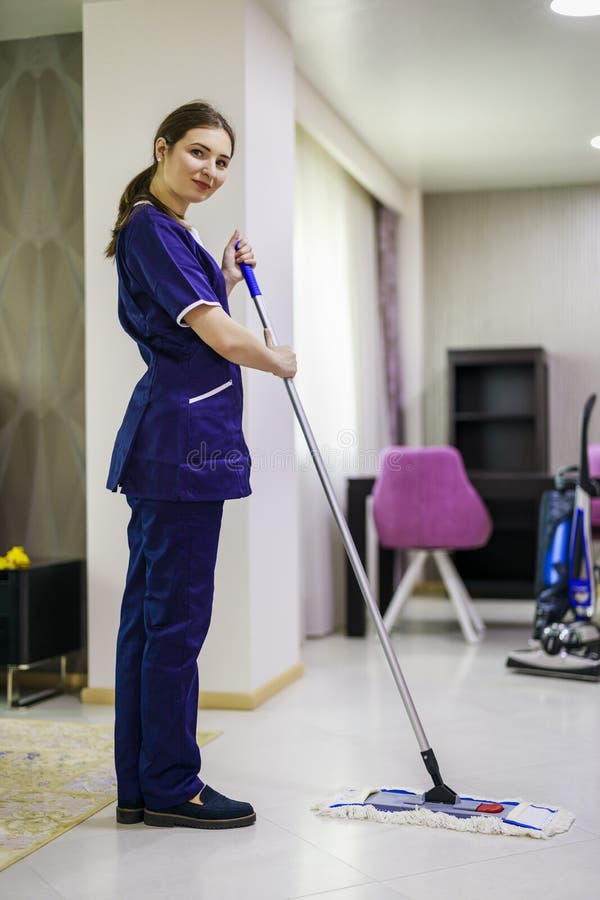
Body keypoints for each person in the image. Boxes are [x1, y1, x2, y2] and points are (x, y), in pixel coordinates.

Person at [105, 100, 296, 830]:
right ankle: (172, 784)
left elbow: (188, 319)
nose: (211, 170)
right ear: (162, 149)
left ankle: (142, 783)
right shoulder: (153, 229)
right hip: (182, 448)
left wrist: (219, 270)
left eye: (222, 161)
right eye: (197, 153)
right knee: (176, 622)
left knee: (151, 622)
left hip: (173, 444)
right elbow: (216, 335)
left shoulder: (167, 231)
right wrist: (277, 358)